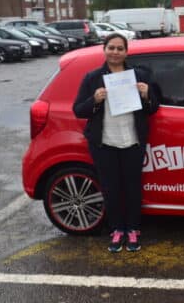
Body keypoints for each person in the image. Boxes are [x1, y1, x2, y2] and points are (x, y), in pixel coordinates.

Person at [73, 34, 159, 252]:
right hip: (104, 142)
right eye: (111, 47)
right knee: (111, 188)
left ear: (126, 52)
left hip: (132, 140)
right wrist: (95, 100)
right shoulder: (92, 78)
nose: (115, 52)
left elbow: (153, 108)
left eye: (120, 48)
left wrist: (147, 95)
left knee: (132, 187)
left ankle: (132, 230)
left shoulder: (138, 76)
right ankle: (117, 229)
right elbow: (78, 110)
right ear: (104, 50)